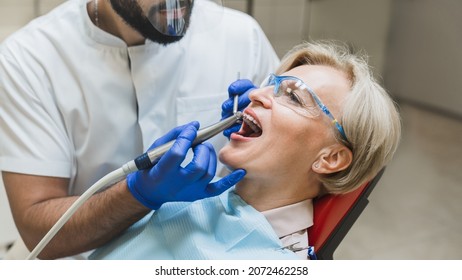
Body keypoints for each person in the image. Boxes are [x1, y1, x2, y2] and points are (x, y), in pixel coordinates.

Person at [0, 0, 279, 259]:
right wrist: (135, 195)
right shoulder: (28, 59)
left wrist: (264, 128)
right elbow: (39, 231)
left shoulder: (242, 37)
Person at [89, 40, 402, 260]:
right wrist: (136, 196)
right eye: (271, 84)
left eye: (293, 97)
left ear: (330, 158)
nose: (257, 93)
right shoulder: (185, 196)